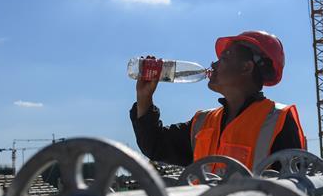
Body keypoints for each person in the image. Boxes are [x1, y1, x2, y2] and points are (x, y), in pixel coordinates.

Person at [130, 30, 307, 170]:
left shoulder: (278, 120)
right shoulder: (203, 122)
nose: (213, 65)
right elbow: (154, 146)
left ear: (246, 67)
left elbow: (295, 188)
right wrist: (144, 97)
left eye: (224, 58)